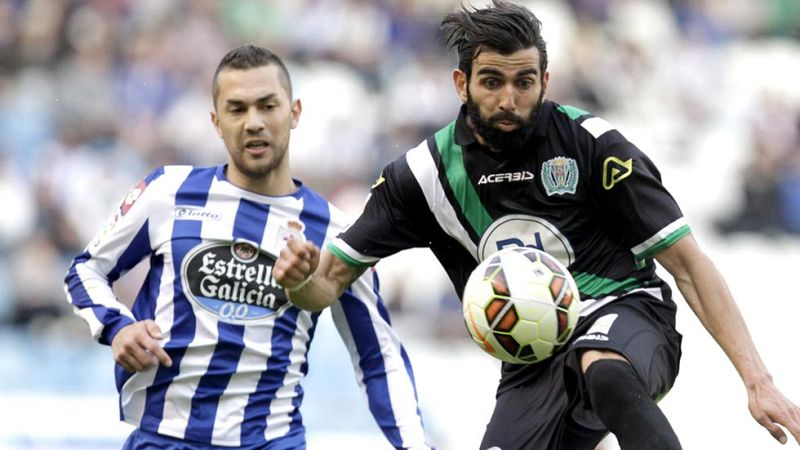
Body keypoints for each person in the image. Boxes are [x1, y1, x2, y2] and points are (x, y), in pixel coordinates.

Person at [273, 1, 800, 449]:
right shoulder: (423, 177)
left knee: (603, 365)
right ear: (461, 83)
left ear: (545, 80)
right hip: (532, 359)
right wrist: (300, 279)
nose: (509, 100)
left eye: (524, 82)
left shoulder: (593, 145)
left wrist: (758, 381)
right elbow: (326, 285)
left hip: (630, 314)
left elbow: (687, 266)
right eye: (492, 82)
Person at [63, 44, 432, 450]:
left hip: (271, 441)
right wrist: (117, 326)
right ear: (216, 121)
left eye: (267, 106)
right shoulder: (167, 192)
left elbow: (378, 358)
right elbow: (86, 269)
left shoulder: (336, 231)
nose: (253, 122)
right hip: (165, 439)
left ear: (294, 113)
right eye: (237, 109)